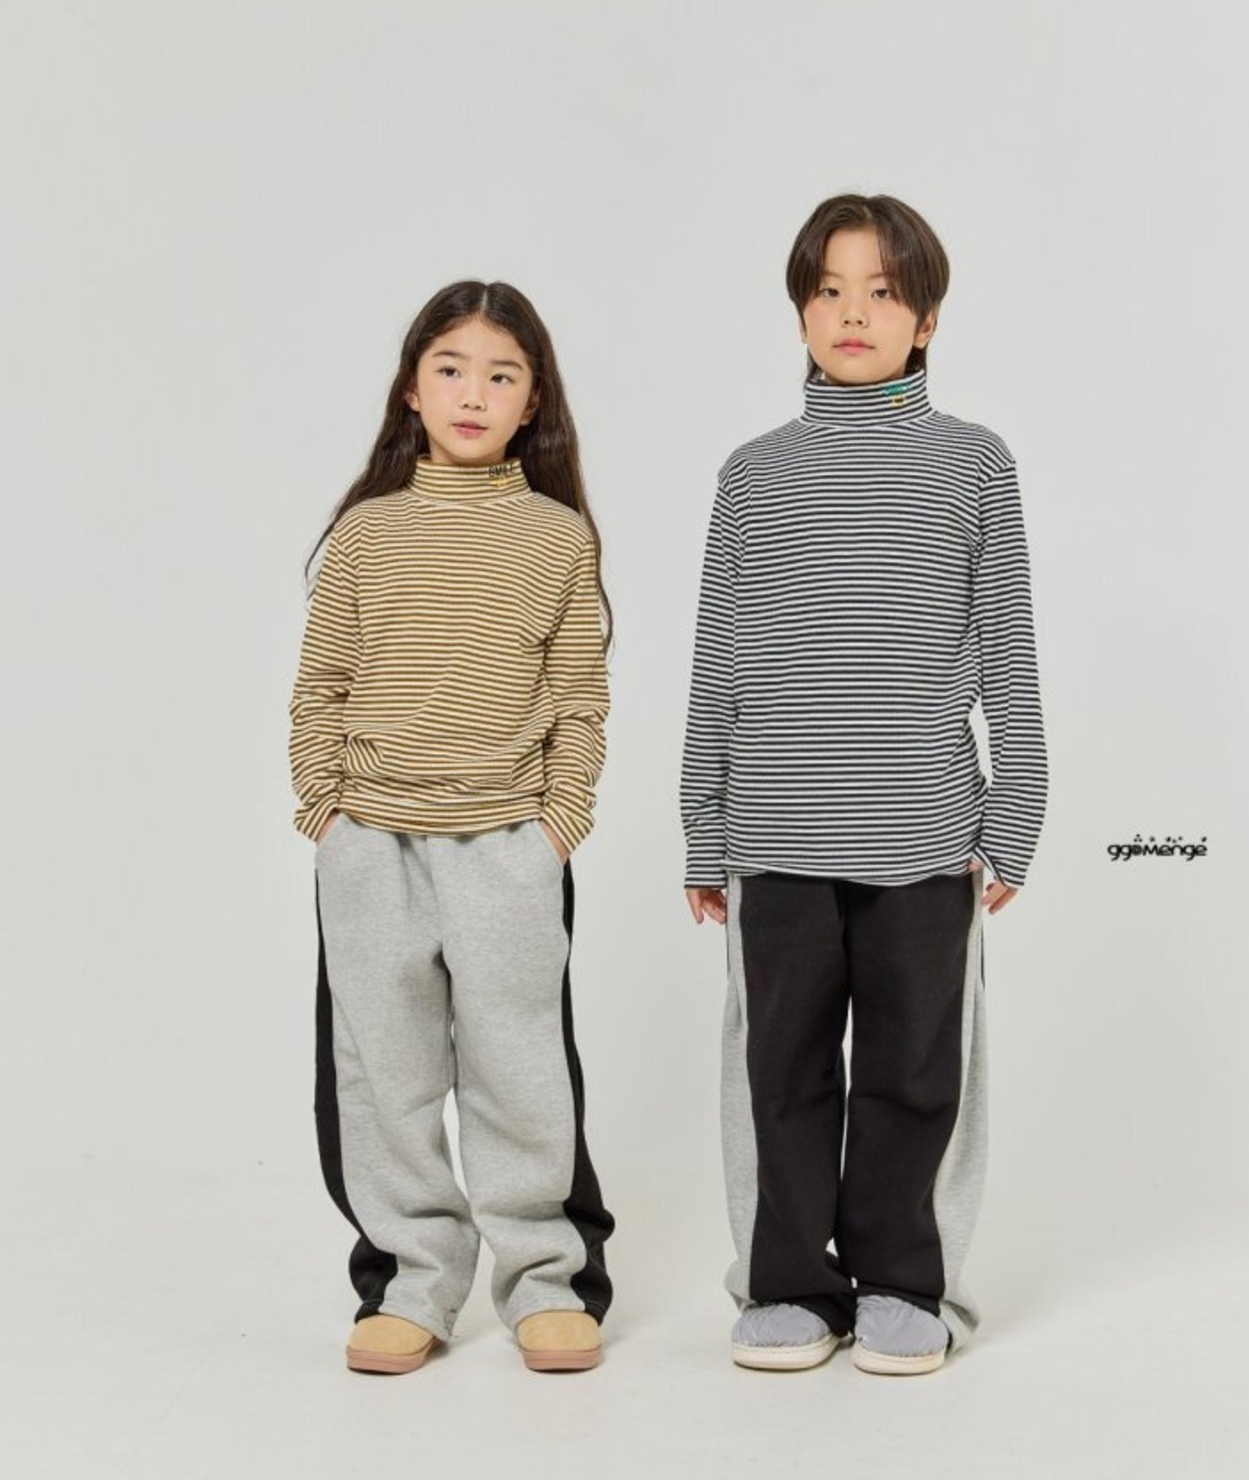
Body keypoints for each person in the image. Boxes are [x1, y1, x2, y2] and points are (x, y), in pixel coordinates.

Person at [680, 194, 1048, 1376]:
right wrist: (701, 827)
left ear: (924, 319)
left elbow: (1006, 651)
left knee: (913, 1072)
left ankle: (901, 1280)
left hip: (925, 836)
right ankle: (790, 1284)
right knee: (779, 1073)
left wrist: (1015, 812)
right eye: (829, 290)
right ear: (799, 311)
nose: (852, 313)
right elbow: (717, 660)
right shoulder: (753, 475)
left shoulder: (973, 464)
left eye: (881, 292)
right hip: (774, 836)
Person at [289, 280, 614, 1375]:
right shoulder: (365, 534)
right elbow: (321, 685)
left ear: (533, 402)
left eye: (501, 374)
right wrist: (325, 810)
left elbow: (579, 697)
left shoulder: (556, 538)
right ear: (412, 390)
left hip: (507, 842)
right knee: (384, 1074)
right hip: (371, 844)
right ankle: (412, 1280)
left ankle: (545, 1279)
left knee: (520, 1071)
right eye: (450, 368)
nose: (473, 393)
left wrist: (558, 822)